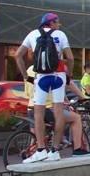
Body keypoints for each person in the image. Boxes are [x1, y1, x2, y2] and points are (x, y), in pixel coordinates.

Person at [15, 12, 74, 164]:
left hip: (41, 76)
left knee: (38, 113)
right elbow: (70, 58)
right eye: (57, 22)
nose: (59, 24)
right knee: (58, 112)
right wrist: (69, 75)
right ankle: (55, 151)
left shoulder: (32, 34)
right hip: (58, 76)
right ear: (51, 23)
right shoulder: (61, 35)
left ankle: (41, 150)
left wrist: (26, 76)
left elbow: (18, 55)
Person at [25, 64, 90, 159]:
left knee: (38, 135)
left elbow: (28, 90)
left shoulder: (29, 69)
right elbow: (69, 84)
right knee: (76, 118)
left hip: (31, 107)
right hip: (48, 107)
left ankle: (35, 150)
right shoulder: (54, 69)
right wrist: (82, 97)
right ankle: (77, 149)